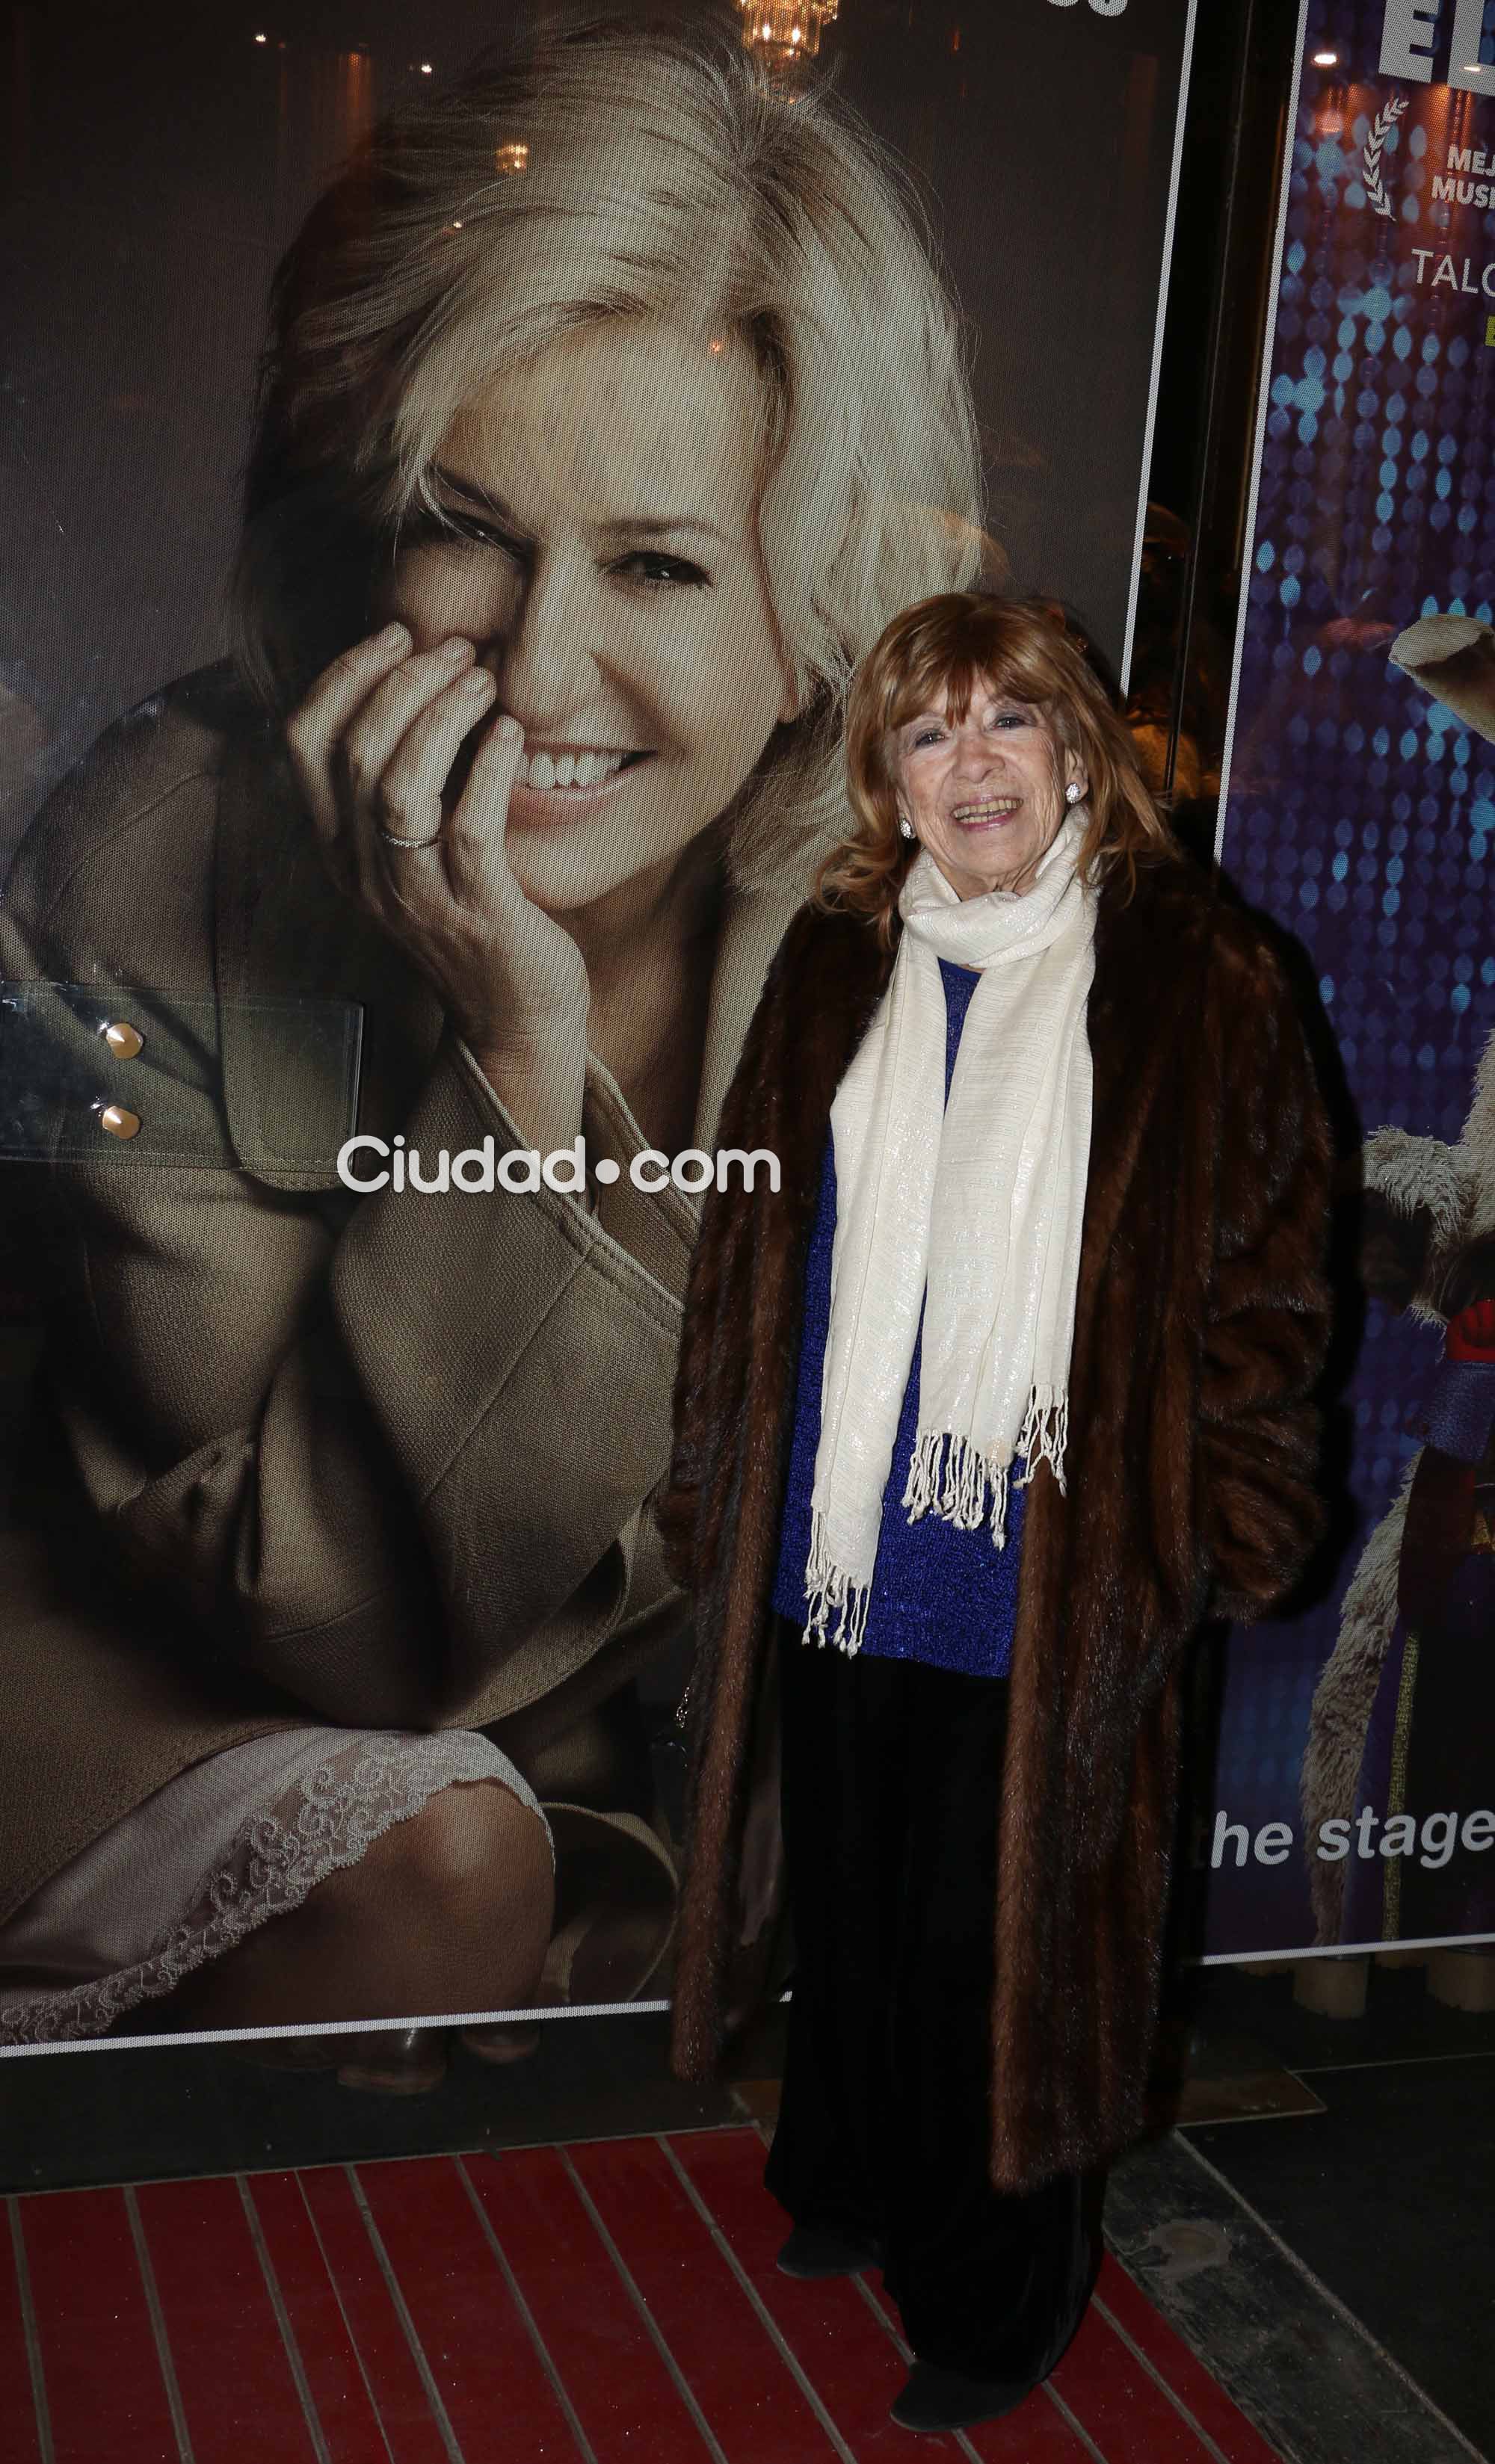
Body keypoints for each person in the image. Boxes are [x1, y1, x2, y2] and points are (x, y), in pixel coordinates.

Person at [0, 15, 991, 2085]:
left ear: (808, 614)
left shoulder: (889, 911)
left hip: (600, 1757)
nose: (542, 667)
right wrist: (519, 1045)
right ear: (367, 526)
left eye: (654, 564)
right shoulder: (154, 856)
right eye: (471, 529)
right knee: (445, 1859)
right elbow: (341, 1628)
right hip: (151, 1691)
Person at [654, 590, 1335, 2434]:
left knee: (1000, 1947)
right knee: (860, 1899)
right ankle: (854, 2179)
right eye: (933, 732)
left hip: (1049, 1555)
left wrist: (1220, 1523)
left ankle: (1000, 2289)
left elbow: (1267, 1293)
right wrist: (722, 1473)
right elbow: (749, 1248)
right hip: (844, 1530)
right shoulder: (830, 957)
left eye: (1010, 725)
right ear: (886, 771)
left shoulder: (1202, 977)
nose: (974, 768)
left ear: (1078, 753)